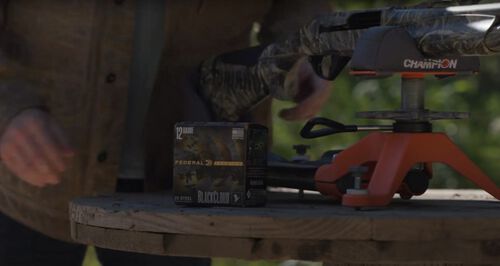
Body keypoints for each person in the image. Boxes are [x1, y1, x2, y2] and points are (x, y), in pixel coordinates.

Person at [0, 0, 331, 265]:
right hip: (26, 186)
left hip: (185, 183)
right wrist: (7, 108)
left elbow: (299, 7)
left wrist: (311, 52)